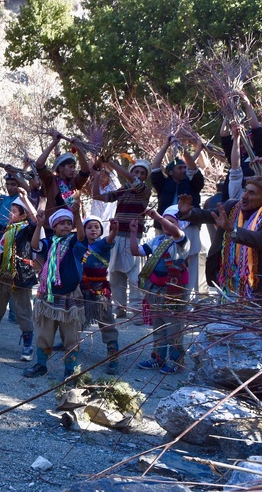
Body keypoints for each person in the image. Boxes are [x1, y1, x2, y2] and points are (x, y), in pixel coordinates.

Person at [24, 205, 86, 380]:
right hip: (49, 294)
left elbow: (82, 236)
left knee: (71, 334)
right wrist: (39, 225)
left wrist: (77, 215)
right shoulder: (49, 242)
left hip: (69, 296)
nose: (66, 226)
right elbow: (35, 245)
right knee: (44, 332)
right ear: (54, 227)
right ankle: (41, 364)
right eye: (62, 224)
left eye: (69, 223)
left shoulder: (74, 242)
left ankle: (70, 370)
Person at [177, 178, 262, 299]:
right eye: (245, 190)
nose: (244, 196)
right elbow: (208, 215)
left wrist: (232, 229)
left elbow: (259, 239)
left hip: (255, 282)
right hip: (228, 278)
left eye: (252, 193)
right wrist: (188, 213)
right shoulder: (232, 206)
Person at [91, 158, 152, 322]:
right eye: (135, 171)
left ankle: (137, 310)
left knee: (134, 275)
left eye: (142, 173)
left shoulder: (144, 190)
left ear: (145, 177)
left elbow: (134, 181)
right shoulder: (123, 190)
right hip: (116, 235)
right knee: (115, 272)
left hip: (132, 237)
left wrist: (110, 162)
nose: (137, 175)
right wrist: (97, 175)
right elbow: (97, 195)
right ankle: (120, 307)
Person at [0, 190, 38, 361]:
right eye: (11, 209)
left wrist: (26, 198)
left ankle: (27, 345)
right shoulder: (6, 229)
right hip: (0, 276)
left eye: (14, 211)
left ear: (23, 215)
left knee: (23, 311)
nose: (10, 213)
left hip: (20, 277)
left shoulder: (27, 230)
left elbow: (36, 221)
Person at [130, 206, 189, 374]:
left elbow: (174, 231)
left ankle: (176, 361)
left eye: (172, 221)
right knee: (159, 326)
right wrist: (133, 233)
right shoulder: (156, 241)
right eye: (165, 220)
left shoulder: (181, 240)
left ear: (179, 225)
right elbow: (136, 251)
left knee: (174, 328)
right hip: (155, 291)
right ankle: (158, 358)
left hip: (173, 292)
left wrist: (157, 217)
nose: (167, 224)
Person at [150, 135, 205, 299]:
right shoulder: (162, 183)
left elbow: (193, 168)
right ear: (171, 171)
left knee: (191, 261)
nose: (184, 170)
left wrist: (184, 150)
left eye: (184, 167)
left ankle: (190, 299)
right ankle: (165, 296)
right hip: (164, 228)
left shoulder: (194, 182)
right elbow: (155, 166)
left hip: (190, 226)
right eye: (180, 168)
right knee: (164, 259)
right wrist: (166, 144)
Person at [80, 216, 119, 375]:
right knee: (75, 319)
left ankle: (113, 354)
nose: (93, 229)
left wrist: (114, 230)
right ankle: (68, 344)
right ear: (84, 230)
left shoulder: (102, 245)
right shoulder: (79, 245)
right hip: (81, 290)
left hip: (99, 290)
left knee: (106, 321)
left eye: (96, 227)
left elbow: (110, 239)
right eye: (89, 227)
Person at [35, 130, 90, 225]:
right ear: (60, 168)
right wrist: (54, 142)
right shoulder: (50, 180)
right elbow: (39, 164)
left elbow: (85, 171)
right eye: (70, 167)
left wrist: (79, 150)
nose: (73, 170)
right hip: (53, 226)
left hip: (72, 225)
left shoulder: (75, 182)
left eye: (74, 167)